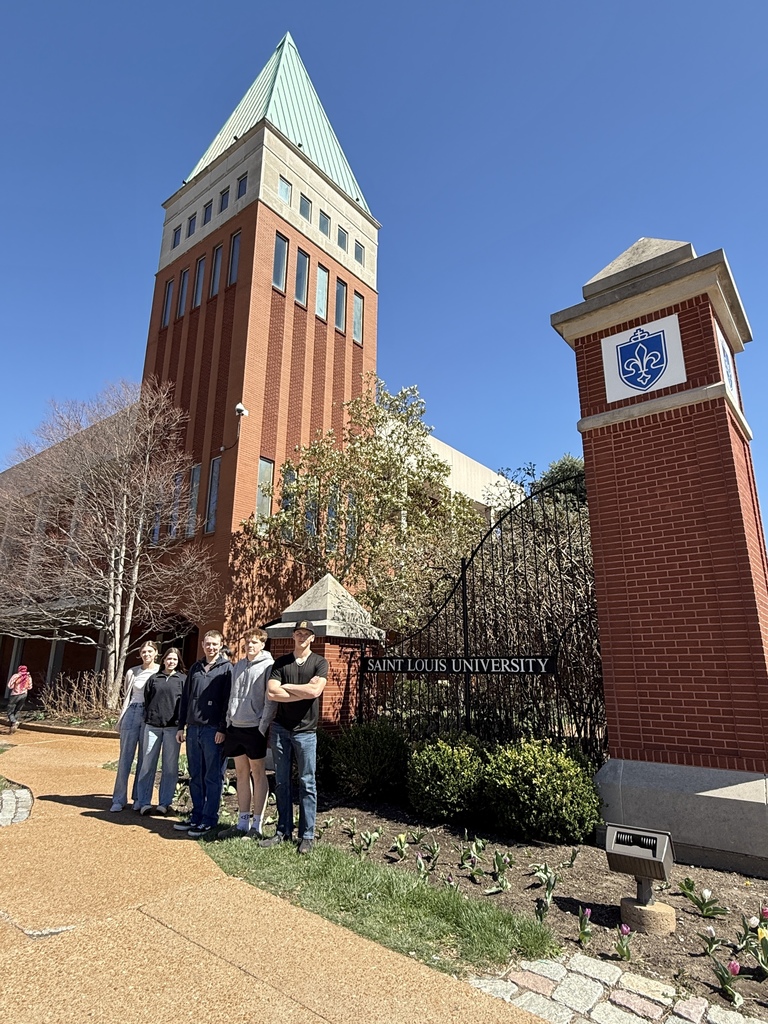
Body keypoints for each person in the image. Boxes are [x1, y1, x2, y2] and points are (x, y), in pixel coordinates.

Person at [260, 620, 328, 855]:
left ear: (312, 638)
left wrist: (287, 688)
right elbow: (271, 692)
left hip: (306, 732)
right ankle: (283, 831)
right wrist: (300, 690)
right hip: (281, 729)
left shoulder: (320, 662)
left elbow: (315, 691)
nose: (302, 636)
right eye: (298, 633)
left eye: (306, 634)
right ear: (293, 636)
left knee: (307, 783)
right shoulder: (281, 662)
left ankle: (307, 836)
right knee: (281, 781)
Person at [216, 629, 275, 839]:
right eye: (248, 642)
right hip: (235, 725)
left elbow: (270, 699)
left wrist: (262, 725)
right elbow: (232, 693)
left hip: (254, 728)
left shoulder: (268, 666)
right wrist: (228, 720)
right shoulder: (238, 665)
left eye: (255, 642)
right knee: (241, 773)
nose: (250, 646)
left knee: (258, 773)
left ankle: (257, 825)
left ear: (262, 645)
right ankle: (242, 821)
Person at [174, 630, 232, 839]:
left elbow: (228, 702)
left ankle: (209, 819)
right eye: (208, 644)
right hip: (193, 729)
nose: (211, 647)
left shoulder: (226, 669)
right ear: (202, 644)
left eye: (215, 644)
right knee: (196, 775)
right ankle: (197, 815)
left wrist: (222, 729)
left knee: (212, 776)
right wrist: (181, 726)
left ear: (220, 645)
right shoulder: (196, 668)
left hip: (212, 730)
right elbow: (186, 698)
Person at [111, 641, 160, 812]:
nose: (146, 654)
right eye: (143, 652)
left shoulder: (160, 671)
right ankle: (118, 799)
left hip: (149, 715)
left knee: (145, 758)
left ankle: (139, 798)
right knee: (125, 757)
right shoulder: (133, 672)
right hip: (132, 713)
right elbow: (127, 694)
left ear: (156, 653)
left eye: (150, 651)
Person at [136, 647, 186, 816]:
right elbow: (148, 699)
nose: (171, 662)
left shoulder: (183, 680)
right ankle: (143, 801)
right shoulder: (154, 678)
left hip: (173, 728)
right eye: (169, 659)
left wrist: (182, 726)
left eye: (175, 660)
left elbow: (184, 706)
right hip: (152, 727)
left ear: (178, 662)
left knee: (170, 767)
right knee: (147, 764)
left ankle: (165, 802)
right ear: (163, 660)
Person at [5, 665, 32, 733]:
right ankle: (13, 727)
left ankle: (14, 721)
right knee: (17, 710)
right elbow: (30, 687)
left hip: (15, 694)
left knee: (10, 710)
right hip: (24, 694)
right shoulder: (28, 677)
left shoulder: (16, 676)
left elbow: (10, 686)